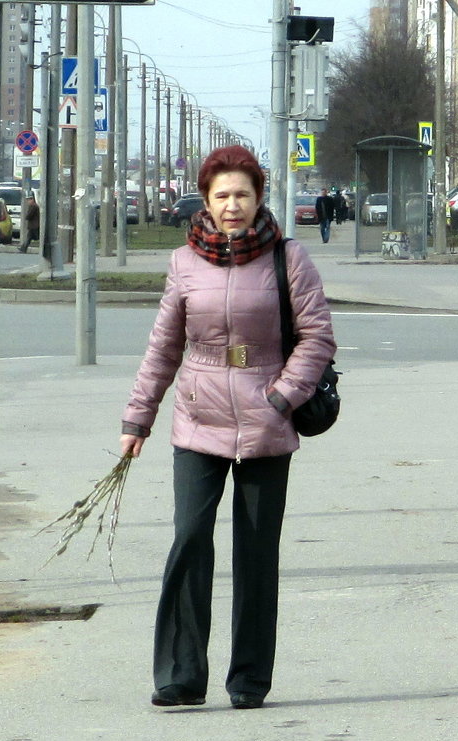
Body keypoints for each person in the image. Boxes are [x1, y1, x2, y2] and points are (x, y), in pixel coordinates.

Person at [120, 144, 336, 710]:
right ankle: (181, 674)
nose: (233, 205)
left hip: (267, 418)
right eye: (222, 196)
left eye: (243, 194)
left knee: (256, 553)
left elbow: (316, 338)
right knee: (190, 540)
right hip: (198, 417)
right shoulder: (184, 263)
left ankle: (249, 680)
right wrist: (138, 417)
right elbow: (163, 347)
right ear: (207, 201)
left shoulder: (289, 259)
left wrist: (283, 396)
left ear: (259, 197)